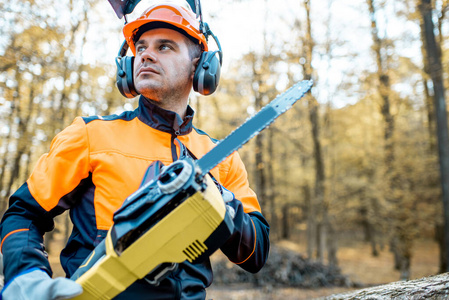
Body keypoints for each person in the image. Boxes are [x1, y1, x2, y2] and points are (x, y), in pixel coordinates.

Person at [0, 1, 270, 299]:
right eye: (140, 47)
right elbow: (24, 213)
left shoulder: (223, 157)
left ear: (201, 64)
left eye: (165, 46)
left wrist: (217, 197)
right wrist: (26, 275)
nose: (146, 55)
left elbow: (255, 254)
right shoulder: (91, 135)